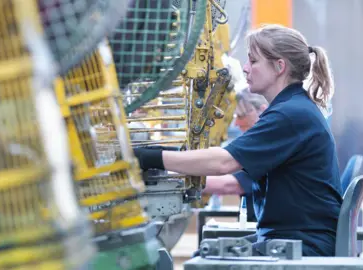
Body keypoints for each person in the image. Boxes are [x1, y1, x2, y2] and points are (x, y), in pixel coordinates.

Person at [134, 24, 342, 256]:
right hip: (293, 238)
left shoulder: (289, 115)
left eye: (253, 61)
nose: (245, 68)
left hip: (303, 245)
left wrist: (149, 157)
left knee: (203, 262)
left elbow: (225, 163)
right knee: (204, 255)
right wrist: (162, 152)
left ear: (279, 67)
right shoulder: (292, 108)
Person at [203, 88, 269, 222]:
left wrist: (182, 181)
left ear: (262, 110)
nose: (237, 123)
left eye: (241, 116)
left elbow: (231, 184)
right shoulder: (254, 145)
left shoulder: (268, 146)